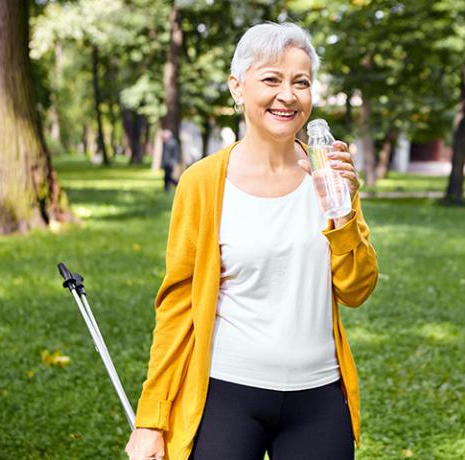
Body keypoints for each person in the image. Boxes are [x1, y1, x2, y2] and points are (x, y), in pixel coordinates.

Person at [125, 22, 378, 460]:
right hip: (227, 393)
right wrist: (152, 420)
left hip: (318, 395)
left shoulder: (330, 177)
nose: (288, 95)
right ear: (238, 87)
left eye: (301, 82)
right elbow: (177, 306)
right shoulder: (202, 183)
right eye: (271, 80)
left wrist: (344, 213)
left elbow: (357, 289)